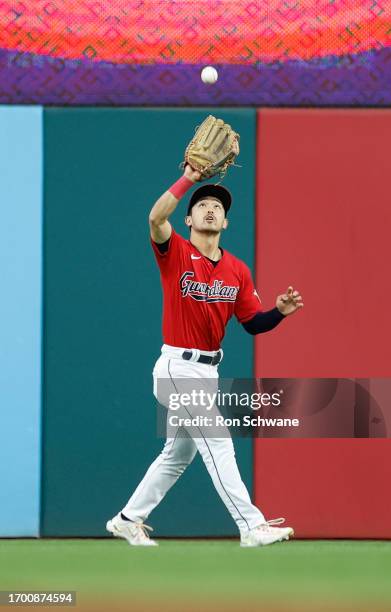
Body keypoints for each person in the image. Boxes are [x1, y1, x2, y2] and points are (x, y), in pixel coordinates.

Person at [106, 164, 304, 547]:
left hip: (208, 371)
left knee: (178, 454)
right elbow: (155, 217)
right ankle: (251, 525)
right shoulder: (174, 251)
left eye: (218, 206)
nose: (211, 209)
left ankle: (128, 518)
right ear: (189, 218)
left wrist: (278, 312)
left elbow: (252, 324)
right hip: (177, 366)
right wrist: (190, 179)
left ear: (226, 223)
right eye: (202, 205)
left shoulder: (237, 271)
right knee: (217, 440)